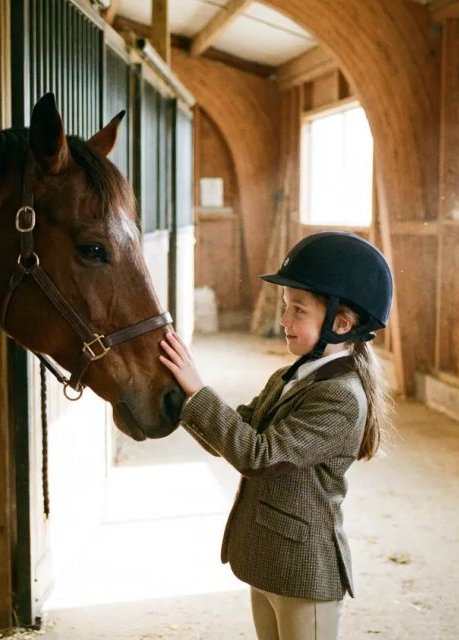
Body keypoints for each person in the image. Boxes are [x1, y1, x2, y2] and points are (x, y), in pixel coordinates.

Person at [158, 231, 394, 640]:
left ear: (341, 323)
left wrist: (198, 391)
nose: (283, 320)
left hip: (305, 573)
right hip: (270, 559)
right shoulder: (292, 374)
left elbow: (259, 456)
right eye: (286, 308)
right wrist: (180, 395)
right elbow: (236, 432)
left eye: (297, 310)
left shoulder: (341, 397)